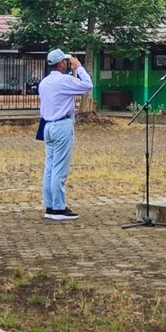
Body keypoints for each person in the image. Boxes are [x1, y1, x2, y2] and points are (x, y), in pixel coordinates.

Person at [38, 49, 93, 220]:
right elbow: (87, 85)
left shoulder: (44, 82)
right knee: (60, 168)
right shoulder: (64, 81)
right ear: (61, 63)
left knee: (50, 166)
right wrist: (79, 68)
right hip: (62, 124)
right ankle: (59, 208)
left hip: (47, 125)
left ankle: (49, 206)